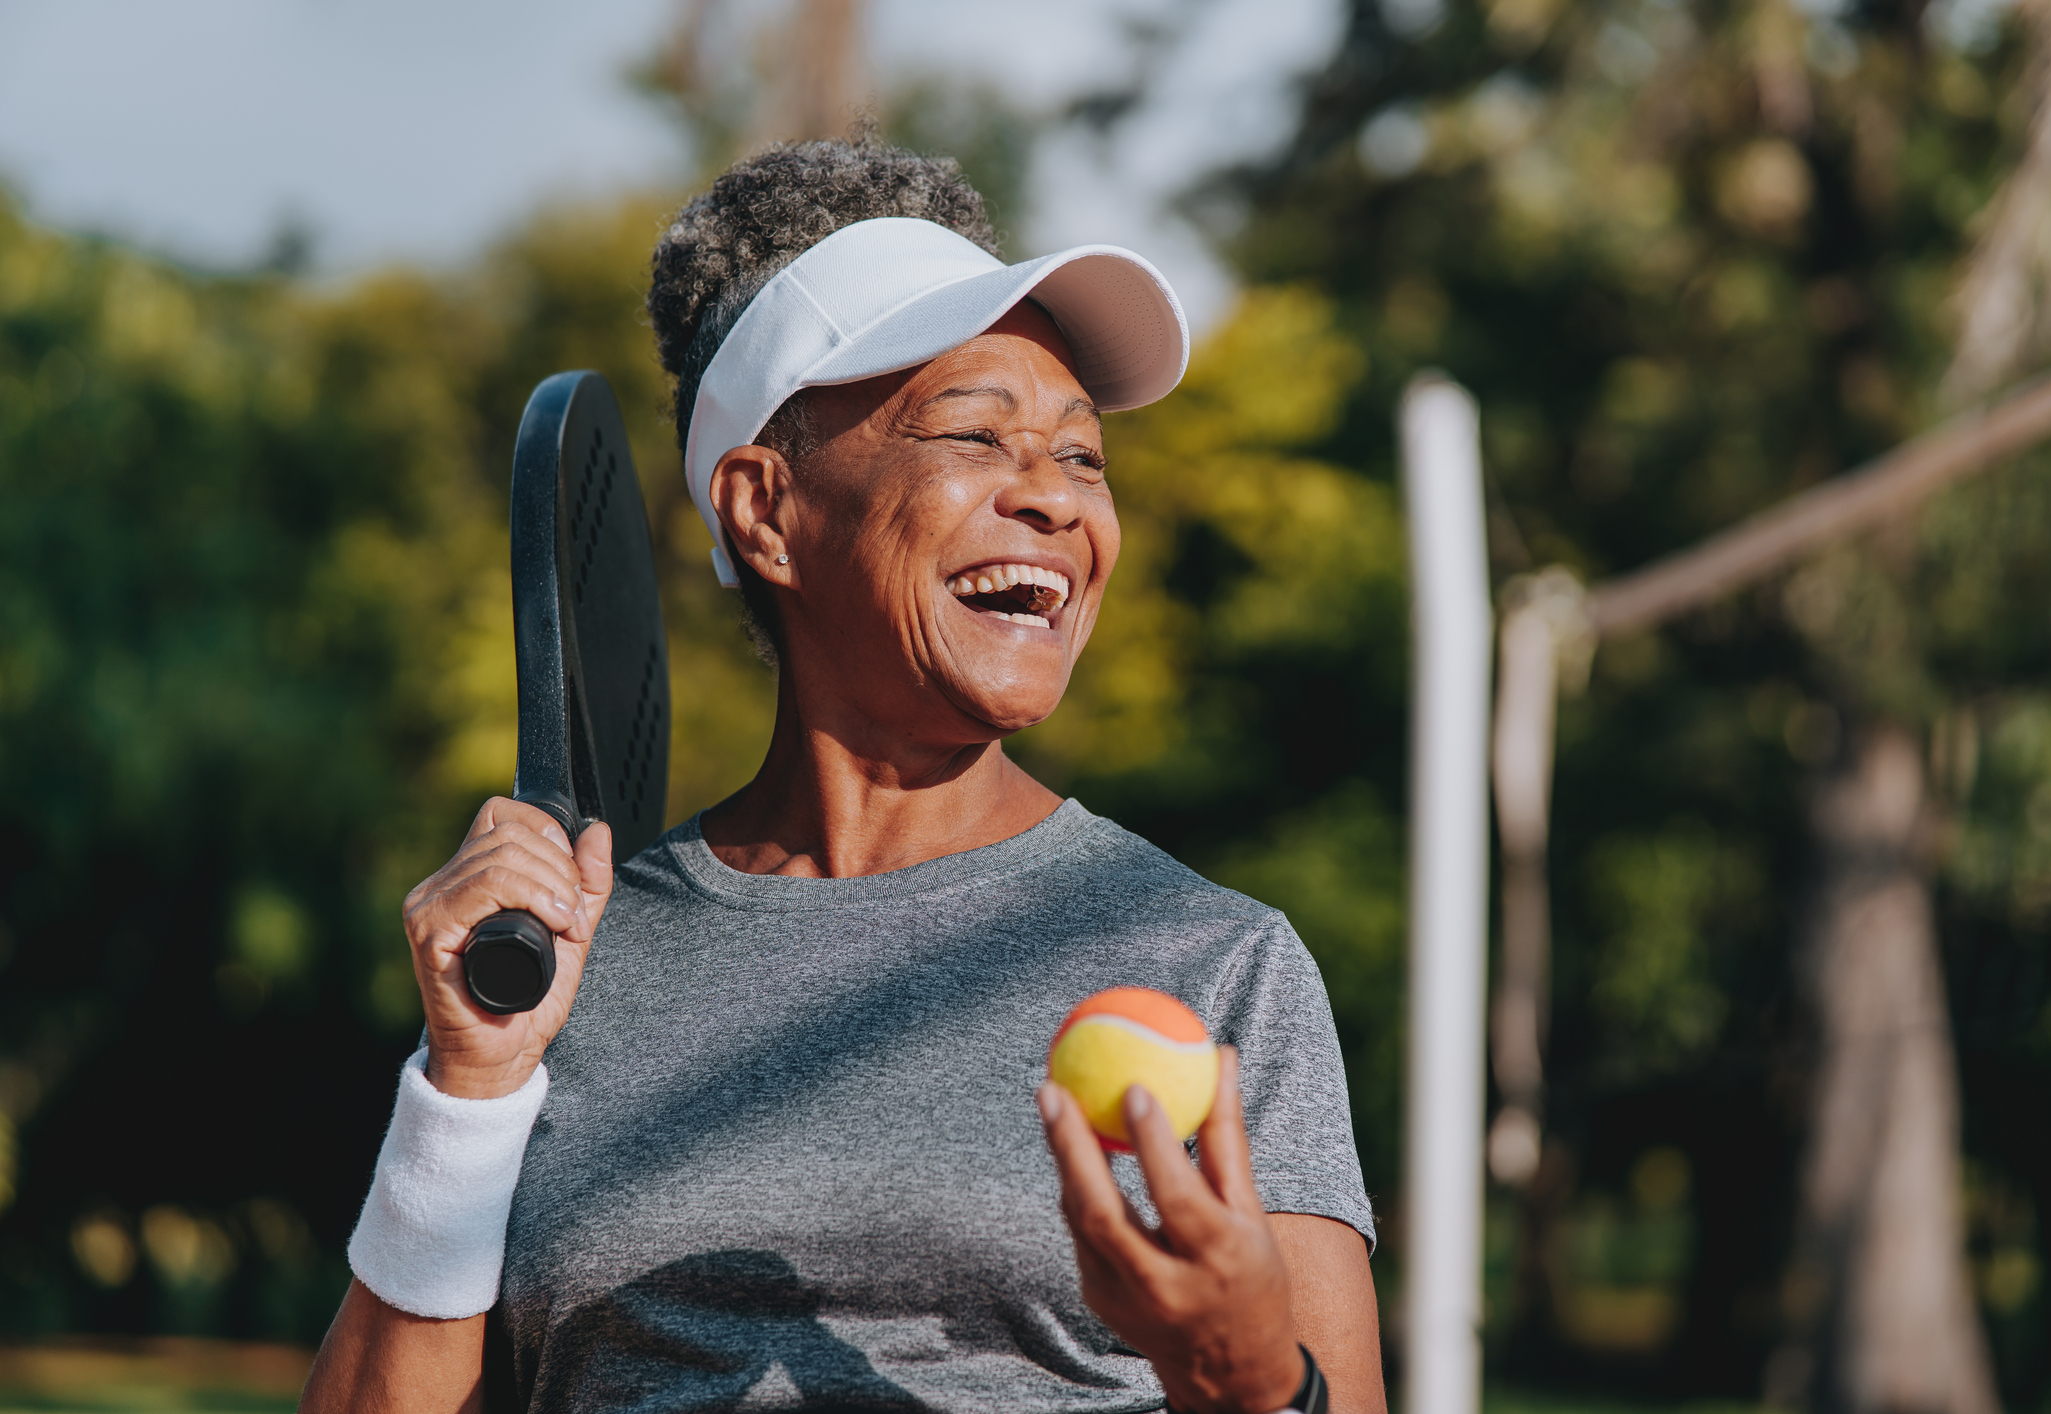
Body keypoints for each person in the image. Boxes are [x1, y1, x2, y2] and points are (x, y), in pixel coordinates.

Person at [300, 136, 1383, 1414]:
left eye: (1083, 455)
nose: (1054, 499)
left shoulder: (1213, 960)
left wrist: (1249, 1373)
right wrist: (466, 1094)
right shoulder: (557, 964)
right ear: (764, 510)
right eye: (977, 434)